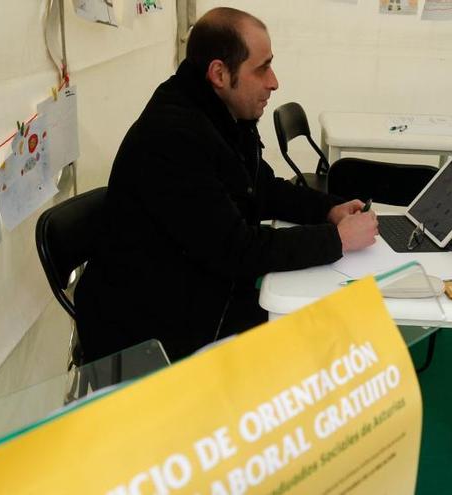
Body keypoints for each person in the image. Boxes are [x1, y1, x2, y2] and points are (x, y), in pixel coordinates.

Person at [75, 8, 377, 362]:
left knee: (322, 319)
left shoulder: (219, 113)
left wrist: (327, 209)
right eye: (262, 68)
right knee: (319, 337)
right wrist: (337, 239)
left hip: (197, 291)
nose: (274, 82)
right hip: (154, 329)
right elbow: (236, 250)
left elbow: (261, 187)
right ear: (219, 73)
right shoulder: (173, 138)